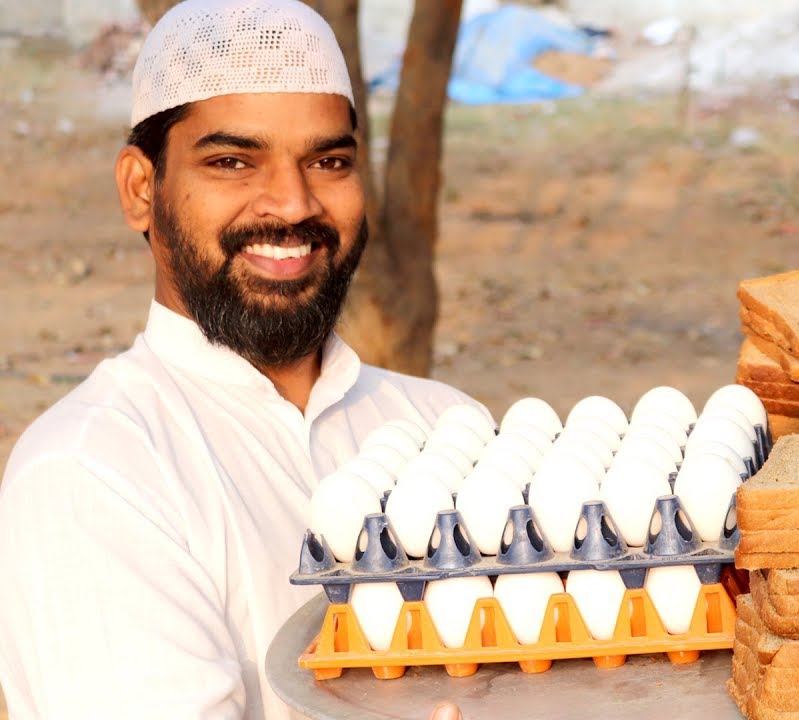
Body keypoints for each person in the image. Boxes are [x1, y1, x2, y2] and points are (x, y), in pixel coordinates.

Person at [0, 2, 469, 717]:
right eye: (231, 162)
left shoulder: (446, 429)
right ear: (140, 189)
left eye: (329, 161)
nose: (291, 204)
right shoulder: (95, 471)